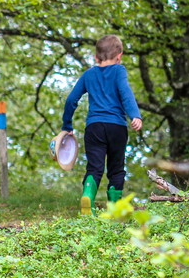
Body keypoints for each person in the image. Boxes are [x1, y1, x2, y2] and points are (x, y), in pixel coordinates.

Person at [61, 34, 143, 215]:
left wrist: (67, 125)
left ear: (95, 57)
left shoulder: (88, 74)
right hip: (117, 128)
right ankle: (114, 208)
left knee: (95, 167)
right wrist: (135, 115)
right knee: (116, 167)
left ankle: (88, 198)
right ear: (119, 56)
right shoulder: (119, 70)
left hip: (94, 127)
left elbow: (71, 99)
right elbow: (125, 92)